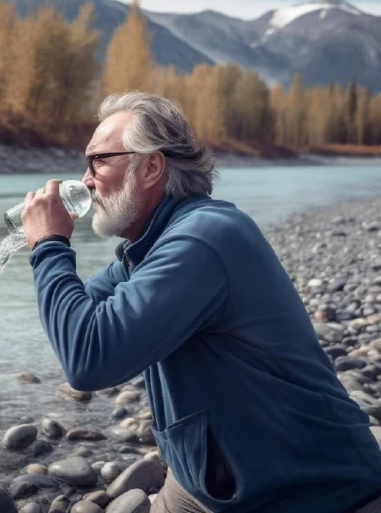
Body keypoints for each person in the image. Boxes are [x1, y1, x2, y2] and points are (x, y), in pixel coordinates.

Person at [21, 91, 381, 513]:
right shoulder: (151, 246)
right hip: (206, 486)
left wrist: (49, 245)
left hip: (309, 490)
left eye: (98, 160)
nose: (85, 180)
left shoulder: (204, 238)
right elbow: (80, 321)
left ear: (151, 166)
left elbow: (88, 360)